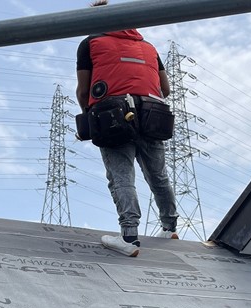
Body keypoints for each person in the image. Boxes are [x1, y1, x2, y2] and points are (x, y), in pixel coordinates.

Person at [75, 0, 179, 257]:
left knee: (121, 177)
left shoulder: (91, 43)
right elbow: (165, 90)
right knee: (158, 175)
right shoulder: (148, 47)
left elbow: (84, 90)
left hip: (114, 116)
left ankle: (129, 237)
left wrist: (88, 119)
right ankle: (170, 227)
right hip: (153, 113)